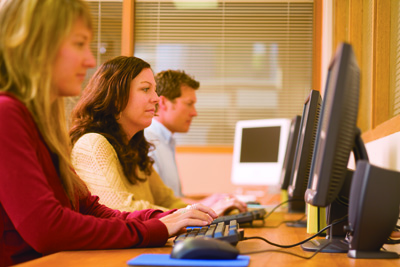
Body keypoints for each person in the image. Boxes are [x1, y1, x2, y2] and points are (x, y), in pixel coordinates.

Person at [0, 1, 216, 266]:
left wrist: (168, 219)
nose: (90, 59)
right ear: (34, 45)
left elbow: (91, 209)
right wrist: (156, 228)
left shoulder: (43, 123)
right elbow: (48, 228)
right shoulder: (6, 113)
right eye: (79, 44)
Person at [69, 57, 244, 216]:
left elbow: (167, 200)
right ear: (116, 98)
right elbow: (119, 209)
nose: (155, 98)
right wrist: (191, 214)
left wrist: (208, 212)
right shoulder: (93, 143)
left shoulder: (134, 147)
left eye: (154, 90)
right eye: (145, 89)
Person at [144, 70, 247, 212]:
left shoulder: (166, 140)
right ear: (163, 103)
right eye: (189, 103)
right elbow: (156, 204)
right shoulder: (148, 142)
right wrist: (208, 203)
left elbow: (172, 199)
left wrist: (212, 199)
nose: (194, 112)